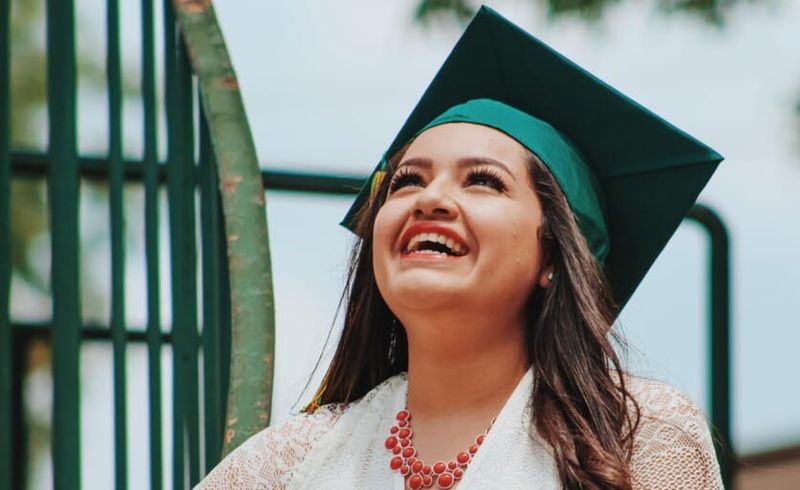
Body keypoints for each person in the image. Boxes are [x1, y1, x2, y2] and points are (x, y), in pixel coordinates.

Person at [197, 7, 724, 490]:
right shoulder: (287, 463)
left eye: (483, 181)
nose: (430, 199)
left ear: (554, 258)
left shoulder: (637, 437)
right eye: (406, 182)